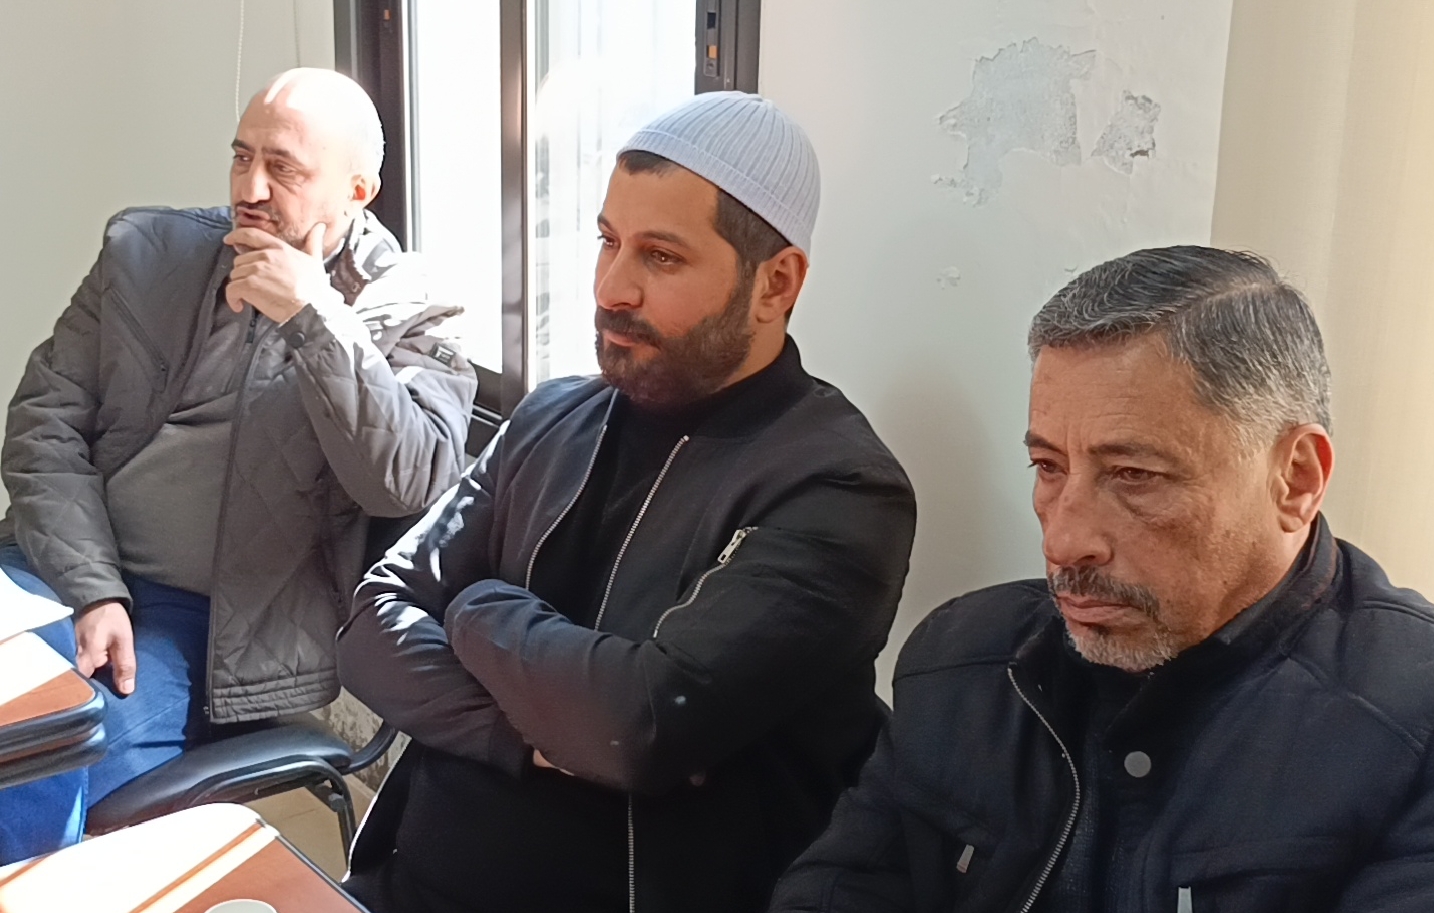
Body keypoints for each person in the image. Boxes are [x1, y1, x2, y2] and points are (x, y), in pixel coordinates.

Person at [337, 91, 917, 913]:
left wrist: (472, 605)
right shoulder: (551, 416)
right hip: (400, 885)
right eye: (608, 241)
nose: (613, 288)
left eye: (661, 257)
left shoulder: (838, 486)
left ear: (776, 282)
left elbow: (637, 725)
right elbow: (371, 623)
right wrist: (522, 737)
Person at [769, 246, 1434, 912]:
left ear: (1296, 479)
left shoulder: (1411, 725)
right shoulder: (964, 661)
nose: (1063, 541)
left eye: (1134, 476)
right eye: (1049, 467)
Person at [0, 68, 477, 862]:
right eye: (241, 156)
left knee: (29, 753)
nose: (250, 188)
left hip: (213, 625)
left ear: (358, 190)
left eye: (283, 167)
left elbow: (408, 480)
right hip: (59, 567)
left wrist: (315, 318)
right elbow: (40, 425)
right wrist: (93, 587)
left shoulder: (417, 310)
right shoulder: (145, 253)